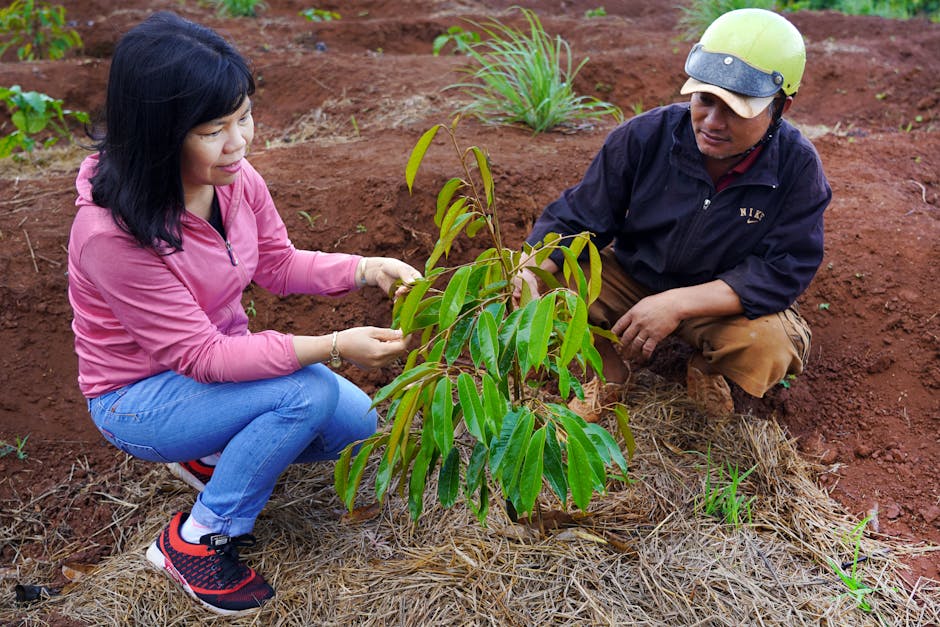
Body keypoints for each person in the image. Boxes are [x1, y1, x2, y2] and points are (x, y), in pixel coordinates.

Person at [67, 12, 420, 616]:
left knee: (357, 427)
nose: (239, 142)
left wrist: (367, 267)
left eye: (244, 117)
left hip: (214, 368)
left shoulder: (231, 178)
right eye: (214, 130)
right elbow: (202, 357)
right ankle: (197, 540)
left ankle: (210, 449)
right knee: (305, 393)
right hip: (138, 397)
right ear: (160, 134)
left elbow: (277, 263)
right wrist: (336, 345)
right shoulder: (109, 235)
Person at [517, 9, 830, 420]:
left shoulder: (797, 168)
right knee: (547, 282)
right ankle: (608, 371)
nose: (713, 122)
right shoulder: (645, 136)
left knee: (770, 344)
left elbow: (782, 270)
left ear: (781, 107)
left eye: (736, 109)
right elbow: (578, 218)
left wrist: (676, 304)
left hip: (719, 303)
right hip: (633, 277)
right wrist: (527, 270)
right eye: (705, 99)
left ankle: (706, 368)